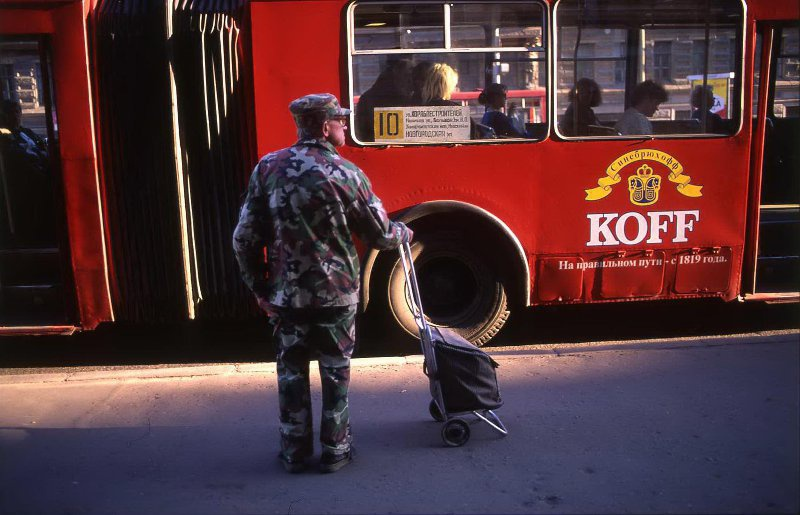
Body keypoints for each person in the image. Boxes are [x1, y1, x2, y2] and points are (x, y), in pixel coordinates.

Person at [232, 93, 412, 474]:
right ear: (325, 126)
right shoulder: (348, 174)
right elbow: (380, 235)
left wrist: (260, 290)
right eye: (340, 121)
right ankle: (336, 451)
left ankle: (294, 454)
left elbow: (244, 238)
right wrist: (404, 233)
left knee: (291, 372)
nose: (344, 126)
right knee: (335, 372)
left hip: (287, 296)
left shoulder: (268, 168)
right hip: (337, 294)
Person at [354, 59, 413, 142]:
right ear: (396, 72)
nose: (411, 80)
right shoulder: (377, 97)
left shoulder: (369, 96)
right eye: (407, 75)